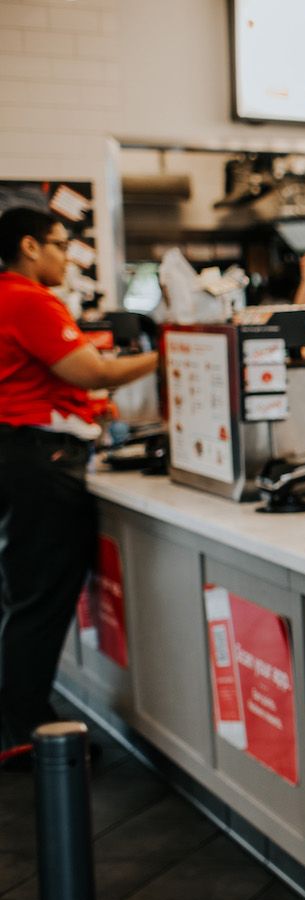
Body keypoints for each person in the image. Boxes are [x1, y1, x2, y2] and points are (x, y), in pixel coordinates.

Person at [0, 207, 159, 759]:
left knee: (26, 593)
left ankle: (19, 718)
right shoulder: (28, 298)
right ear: (28, 246)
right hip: (40, 460)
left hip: (21, 453)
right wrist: (167, 353)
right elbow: (92, 370)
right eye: (60, 244)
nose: (67, 256)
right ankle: (25, 731)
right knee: (42, 597)